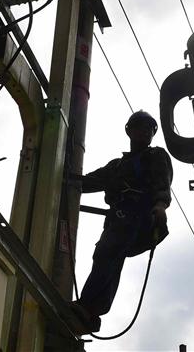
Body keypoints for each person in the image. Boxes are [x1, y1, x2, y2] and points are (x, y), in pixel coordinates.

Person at [71, 110, 173, 332]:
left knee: (107, 252)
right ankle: (93, 313)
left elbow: (162, 183)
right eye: (141, 127)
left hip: (138, 216)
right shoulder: (117, 166)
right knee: (109, 258)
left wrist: (160, 206)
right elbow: (87, 182)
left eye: (149, 129)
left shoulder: (155, 156)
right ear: (130, 131)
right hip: (118, 217)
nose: (145, 132)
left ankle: (87, 305)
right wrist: (62, 177)